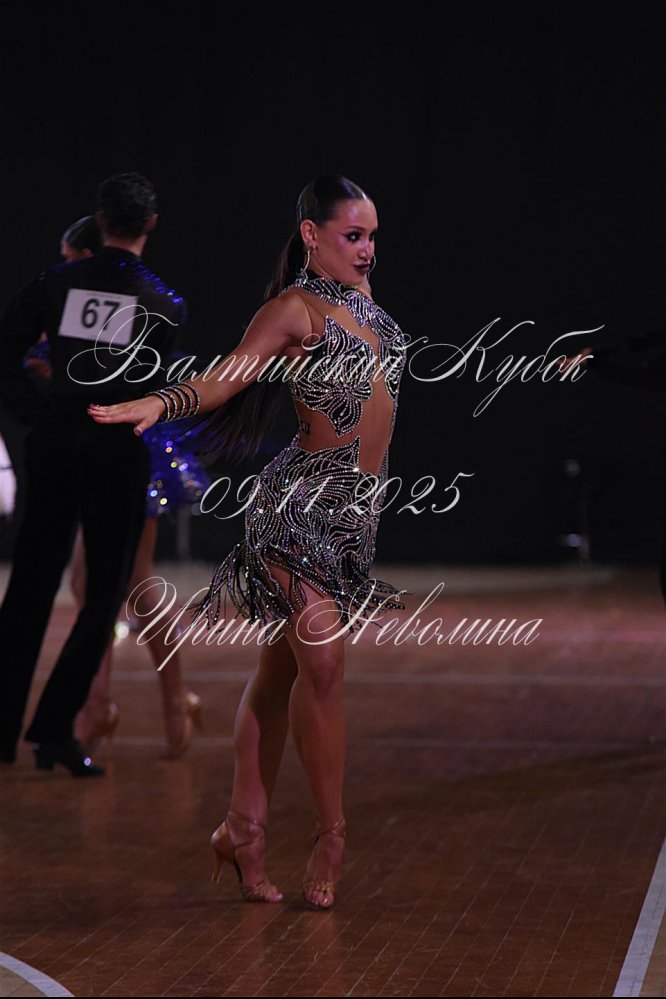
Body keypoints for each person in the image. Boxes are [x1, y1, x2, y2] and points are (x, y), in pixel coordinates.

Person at [88, 175, 408, 908]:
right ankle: (332, 832)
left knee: (279, 671)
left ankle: (241, 827)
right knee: (322, 661)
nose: (367, 250)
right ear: (312, 235)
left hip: (353, 517)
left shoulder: (365, 303)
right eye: (352, 235)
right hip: (294, 511)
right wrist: (159, 400)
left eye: (371, 237)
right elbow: (223, 381)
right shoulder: (293, 310)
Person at [0, 172, 187, 776]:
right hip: (115, 452)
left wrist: (42, 413)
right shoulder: (163, 303)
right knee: (103, 594)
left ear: (101, 220)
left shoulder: (55, 284)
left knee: (30, 586)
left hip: (57, 445)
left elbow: (6, 352)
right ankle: (54, 733)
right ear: (150, 225)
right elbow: (149, 385)